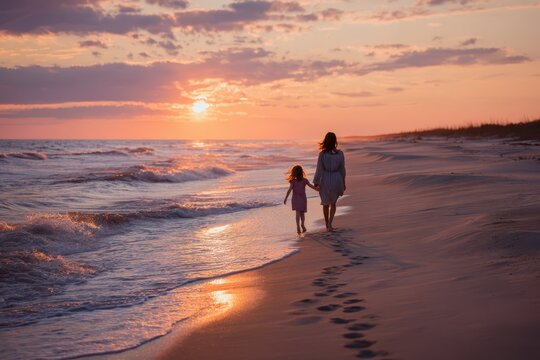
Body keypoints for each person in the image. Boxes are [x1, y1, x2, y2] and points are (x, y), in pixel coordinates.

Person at [313, 132, 346, 231]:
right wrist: (343, 182)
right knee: (333, 203)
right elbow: (342, 169)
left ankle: (327, 225)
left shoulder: (322, 154)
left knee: (325, 203)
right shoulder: (340, 153)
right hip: (337, 178)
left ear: (325, 141)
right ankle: (330, 224)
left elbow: (319, 169)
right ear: (335, 141)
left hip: (325, 178)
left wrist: (316, 181)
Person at [284, 165, 318, 234]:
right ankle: (302, 224)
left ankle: (298, 227)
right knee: (302, 213)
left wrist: (286, 198)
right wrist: (318, 189)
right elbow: (312, 186)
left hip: (295, 199)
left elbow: (289, 190)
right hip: (302, 199)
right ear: (302, 172)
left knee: (298, 213)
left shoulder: (293, 181)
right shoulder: (304, 180)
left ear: (294, 173)